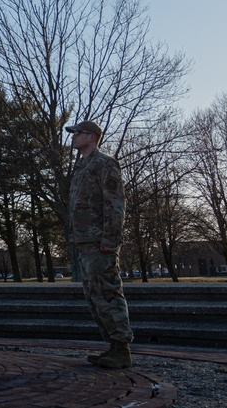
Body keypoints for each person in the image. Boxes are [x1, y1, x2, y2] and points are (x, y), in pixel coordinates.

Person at [66, 120, 134, 369]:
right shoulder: (82, 166)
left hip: (99, 243)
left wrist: (110, 239)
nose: (72, 137)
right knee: (94, 296)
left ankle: (121, 349)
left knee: (107, 293)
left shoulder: (105, 163)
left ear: (92, 137)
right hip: (85, 243)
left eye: (77, 133)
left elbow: (115, 204)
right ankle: (114, 347)